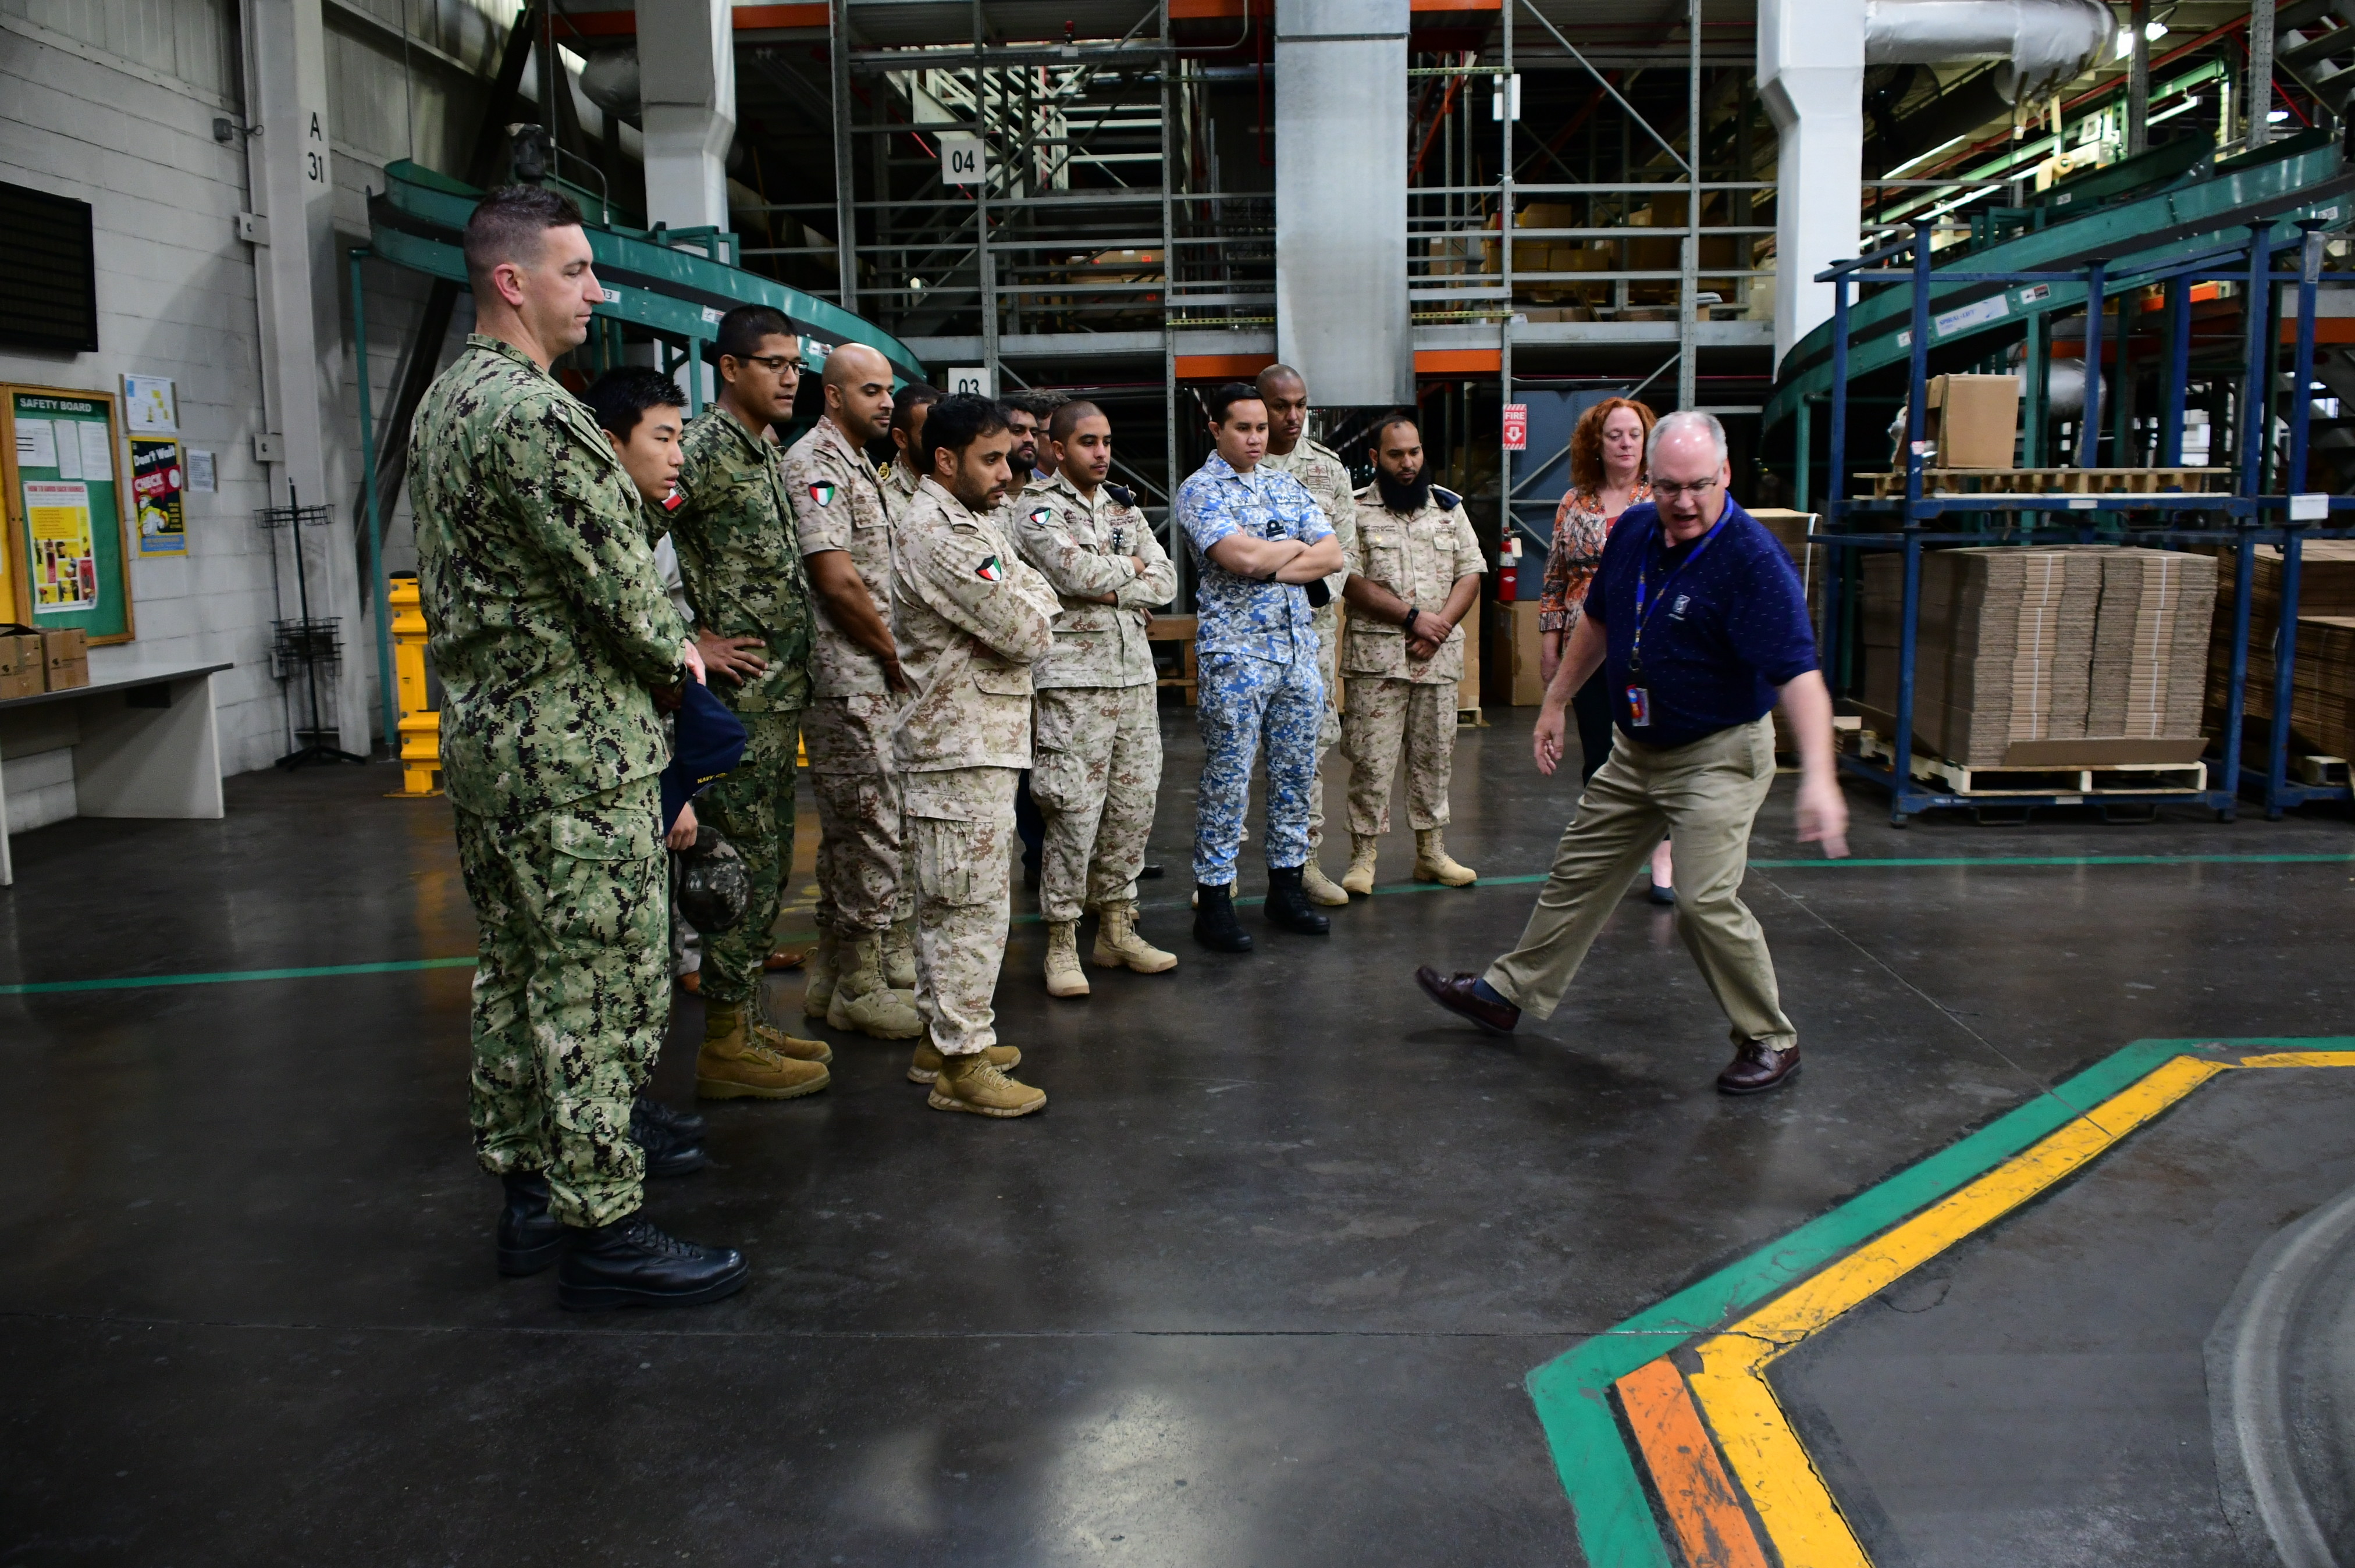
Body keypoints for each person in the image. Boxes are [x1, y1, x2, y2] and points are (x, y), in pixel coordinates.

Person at [411, 184, 743, 1310]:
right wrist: (678, 665)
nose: (595, 292)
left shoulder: (448, 400)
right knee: (599, 988)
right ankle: (605, 1226)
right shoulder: (535, 416)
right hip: (574, 754)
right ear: (513, 282)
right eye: (577, 272)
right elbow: (629, 600)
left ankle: (527, 1195)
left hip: (495, 746)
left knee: (514, 973)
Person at [1415, 411, 1849, 1096]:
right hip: (1637, 747)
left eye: (1698, 486)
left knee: (1704, 900)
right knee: (1577, 871)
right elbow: (1598, 621)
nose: (1682, 502)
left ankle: (1770, 1037)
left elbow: (1800, 675)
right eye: (1668, 485)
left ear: (1725, 476)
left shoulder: (1753, 561)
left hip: (1717, 752)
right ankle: (1507, 992)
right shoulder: (1637, 531)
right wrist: (1555, 701)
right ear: (1651, 480)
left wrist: (1820, 779)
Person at [668, 307, 838, 1101]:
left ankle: (746, 1020)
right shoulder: (700, 450)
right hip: (738, 705)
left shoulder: (761, 448)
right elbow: (629, 541)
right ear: (730, 369)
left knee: (768, 864)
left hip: (776, 698)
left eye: (795, 364)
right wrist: (688, 638)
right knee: (739, 865)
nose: (790, 377)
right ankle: (727, 1045)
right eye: (773, 363)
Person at [889, 394, 1061, 1114]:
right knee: (968, 907)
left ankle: (943, 1037)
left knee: (955, 898)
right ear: (946, 459)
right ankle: (963, 1064)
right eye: (990, 458)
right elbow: (1027, 631)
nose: (1006, 470)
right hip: (956, 746)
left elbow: (1038, 595)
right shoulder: (940, 533)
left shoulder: (973, 520)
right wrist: (1028, 609)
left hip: (975, 740)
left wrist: (1028, 603)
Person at [1012, 399, 1180, 996]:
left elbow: (1164, 580)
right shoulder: (1034, 508)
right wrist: (1123, 576)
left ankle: (1116, 927)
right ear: (1058, 449)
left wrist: (1112, 579)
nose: (1102, 452)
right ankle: (1061, 939)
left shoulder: (1123, 507)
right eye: (1088, 441)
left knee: (1132, 809)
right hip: (1072, 684)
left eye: (1106, 440)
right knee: (1072, 813)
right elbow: (1071, 574)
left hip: (1134, 680)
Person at [782, 344, 926, 1041]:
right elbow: (835, 577)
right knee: (870, 825)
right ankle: (861, 984)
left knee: (855, 826)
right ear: (833, 396)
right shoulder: (816, 464)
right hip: (851, 674)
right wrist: (890, 649)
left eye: (888, 391)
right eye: (870, 391)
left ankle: (832, 973)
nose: (885, 402)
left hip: (867, 672)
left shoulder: (855, 466)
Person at [1174, 382, 1346, 952]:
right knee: (1228, 779)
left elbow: (1332, 554)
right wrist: (1290, 553)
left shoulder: (1284, 483)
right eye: (1243, 428)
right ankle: (1217, 898)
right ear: (1217, 430)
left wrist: (1271, 559)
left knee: (1296, 776)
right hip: (1236, 655)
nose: (1255, 437)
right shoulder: (1200, 491)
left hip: (1298, 652)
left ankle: (1286, 887)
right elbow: (1237, 556)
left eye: (1261, 428)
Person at [1337, 413, 1484, 893]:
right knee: (1370, 759)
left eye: (1415, 453)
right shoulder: (1356, 511)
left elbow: (1470, 572)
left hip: (1436, 659)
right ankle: (1364, 857)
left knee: (1435, 758)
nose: (1408, 464)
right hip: (1378, 660)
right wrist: (1412, 618)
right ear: (1377, 458)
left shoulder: (1448, 509)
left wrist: (1437, 629)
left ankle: (1431, 853)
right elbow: (1351, 582)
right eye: (1397, 455)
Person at [1540, 397, 1674, 904]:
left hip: (1648, 645)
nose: (1624, 443)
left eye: (1634, 435)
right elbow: (1554, 578)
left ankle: (1662, 851)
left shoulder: (1660, 498)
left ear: (1647, 443)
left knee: (1653, 747)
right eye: (1614, 434)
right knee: (1599, 753)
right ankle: (1608, 853)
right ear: (1596, 443)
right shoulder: (1575, 502)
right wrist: (1551, 648)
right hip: (1586, 648)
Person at [1257, 364, 1359, 906]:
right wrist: (1294, 565)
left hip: (1311, 634)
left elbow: (1343, 551)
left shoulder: (1327, 471)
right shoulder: (1230, 467)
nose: (1293, 417)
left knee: (1307, 753)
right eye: (1280, 406)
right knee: (1237, 753)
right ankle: (1219, 875)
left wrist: (1304, 588)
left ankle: (1305, 863)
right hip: (1246, 635)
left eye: (1301, 405)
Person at [880, 381, 942, 521]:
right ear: (901, 438)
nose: (941, 440)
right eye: (929, 433)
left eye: (944, 431)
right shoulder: (884, 498)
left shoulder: (961, 484)